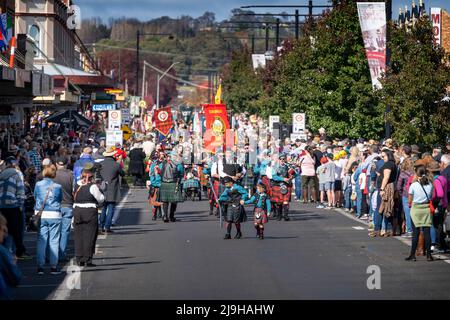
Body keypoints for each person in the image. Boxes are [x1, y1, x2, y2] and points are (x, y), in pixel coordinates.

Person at [34, 165, 63, 275]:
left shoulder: (38, 184)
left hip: (41, 213)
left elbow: (36, 197)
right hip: (54, 214)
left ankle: (40, 267)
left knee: (42, 240)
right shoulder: (58, 186)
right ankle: (53, 267)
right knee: (54, 241)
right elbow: (60, 199)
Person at [73, 170, 105, 267]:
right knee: (89, 236)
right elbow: (101, 198)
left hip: (77, 211)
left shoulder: (76, 185)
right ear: (91, 178)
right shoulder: (93, 186)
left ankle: (79, 258)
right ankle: (87, 259)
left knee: (78, 236)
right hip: (90, 211)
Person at [0, 157, 29, 260]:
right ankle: (15, 253)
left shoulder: (1, 175)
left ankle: (5, 255)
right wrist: (20, 206)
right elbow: (21, 193)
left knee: (4, 231)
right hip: (13, 206)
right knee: (15, 231)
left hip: (1, 207)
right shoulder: (16, 174)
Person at [405, 165, 434, 262]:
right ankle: (429, 255)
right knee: (427, 232)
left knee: (416, 233)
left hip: (416, 209)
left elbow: (409, 200)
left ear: (417, 174)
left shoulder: (413, 185)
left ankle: (412, 254)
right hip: (426, 208)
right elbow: (431, 197)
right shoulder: (430, 184)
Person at [53, 156, 74, 262]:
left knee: (53, 232)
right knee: (65, 231)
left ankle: (51, 254)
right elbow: (74, 191)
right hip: (68, 205)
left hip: (54, 206)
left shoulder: (52, 175)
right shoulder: (71, 175)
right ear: (67, 164)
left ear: (56, 164)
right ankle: (61, 254)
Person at [99, 147, 125, 233]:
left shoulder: (101, 164)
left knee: (103, 207)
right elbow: (122, 173)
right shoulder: (116, 164)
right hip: (112, 188)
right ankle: (107, 227)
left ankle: (101, 225)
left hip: (102, 188)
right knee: (111, 208)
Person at [428, 161, 448, 253]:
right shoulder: (443, 178)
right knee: (440, 224)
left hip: (438, 204)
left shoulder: (436, 180)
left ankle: (435, 244)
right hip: (444, 203)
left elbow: (440, 193)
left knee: (435, 225)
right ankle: (442, 244)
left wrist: (433, 198)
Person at [0, 214, 22, 300]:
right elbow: (15, 277)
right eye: (3, 230)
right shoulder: (2, 252)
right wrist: (13, 263)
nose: (4, 234)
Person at [159, 152, 184, 223]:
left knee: (165, 201)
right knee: (174, 201)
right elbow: (181, 173)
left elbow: (159, 173)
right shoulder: (178, 165)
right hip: (173, 183)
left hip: (164, 183)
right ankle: (171, 216)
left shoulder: (162, 164)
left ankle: (165, 216)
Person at [270, 153, 294, 221]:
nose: (282, 160)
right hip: (278, 185)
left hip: (287, 186)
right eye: (281, 159)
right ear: (279, 159)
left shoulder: (289, 166)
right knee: (279, 202)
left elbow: (296, 174)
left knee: (285, 201)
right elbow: (273, 176)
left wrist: (292, 177)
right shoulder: (275, 167)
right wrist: (283, 179)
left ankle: (286, 216)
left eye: (283, 159)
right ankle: (279, 215)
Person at [396, 158, 415, 238]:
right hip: (415, 195)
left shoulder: (403, 173)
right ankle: (415, 230)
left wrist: (401, 193)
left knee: (407, 213)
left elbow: (399, 186)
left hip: (406, 194)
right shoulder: (416, 173)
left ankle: (409, 231)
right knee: (414, 213)